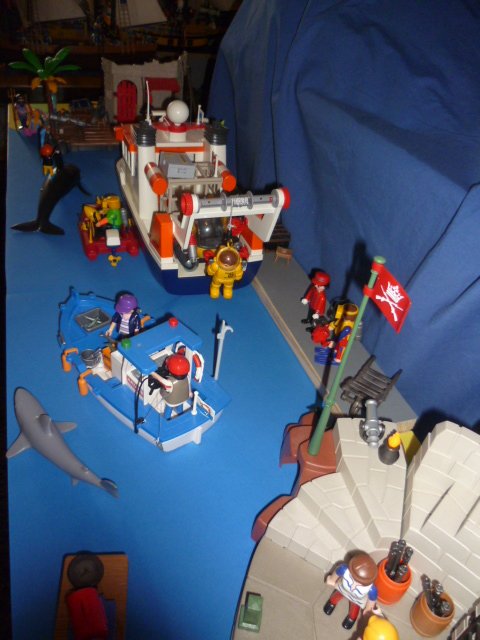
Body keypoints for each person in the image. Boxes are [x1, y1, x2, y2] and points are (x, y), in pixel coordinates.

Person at [323, 553, 378, 630]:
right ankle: (331, 603)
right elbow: (337, 572)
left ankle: (351, 618)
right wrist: (332, 580)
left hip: (356, 599)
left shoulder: (371, 589)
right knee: (336, 596)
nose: (354, 584)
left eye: (360, 582)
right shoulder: (345, 570)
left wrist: (368, 609)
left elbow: (371, 601)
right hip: (343, 589)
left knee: (354, 608)